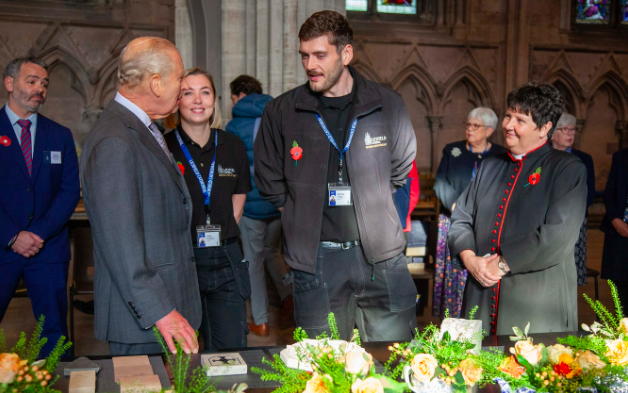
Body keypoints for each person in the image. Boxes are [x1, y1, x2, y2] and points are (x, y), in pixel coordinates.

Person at [254, 11, 418, 341]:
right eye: (304, 55)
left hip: (381, 257)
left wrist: (371, 201)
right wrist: (298, 212)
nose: (310, 65)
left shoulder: (387, 104)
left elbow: (401, 166)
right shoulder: (282, 111)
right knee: (322, 367)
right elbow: (268, 176)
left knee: (395, 363)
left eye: (320, 55)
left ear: (345, 54)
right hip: (315, 260)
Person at [80, 37, 201, 356]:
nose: (183, 85)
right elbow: (122, 244)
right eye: (180, 77)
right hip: (146, 322)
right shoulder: (115, 141)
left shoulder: (142, 129)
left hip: (167, 306)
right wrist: (161, 312)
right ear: (157, 83)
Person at [448, 82, 587, 336]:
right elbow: (461, 218)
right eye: (508, 116)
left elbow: (557, 236)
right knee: (474, 370)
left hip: (535, 301)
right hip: (480, 289)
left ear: (545, 128)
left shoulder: (567, 169)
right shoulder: (490, 166)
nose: (509, 125)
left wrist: (500, 265)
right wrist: (471, 261)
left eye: (520, 120)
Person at [164, 67, 252, 350]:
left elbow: (239, 195)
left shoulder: (232, 145)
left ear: (215, 100)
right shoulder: (163, 148)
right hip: (181, 259)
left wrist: (225, 228)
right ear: (177, 101)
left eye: (205, 92)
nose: (197, 100)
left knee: (230, 353)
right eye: (188, 93)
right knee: (184, 355)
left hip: (226, 258)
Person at [0, 57, 79, 357]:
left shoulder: (60, 135)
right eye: (31, 81)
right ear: (10, 84)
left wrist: (36, 233)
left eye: (44, 83)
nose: (39, 89)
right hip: (2, 247)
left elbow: (70, 191)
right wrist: (12, 235)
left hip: (48, 249)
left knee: (54, 335)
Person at [225, 75, 293, 336]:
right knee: (273, 252)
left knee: (252, 261)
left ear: (239, 94)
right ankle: (290, 293)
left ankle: (260, 320)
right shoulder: (280, 118)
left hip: (250, 204)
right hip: (276, 202)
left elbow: (229, 169)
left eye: (232, 97)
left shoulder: (234, 126)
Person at [432, 108, 507, 318]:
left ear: (490, 130)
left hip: (487, 222)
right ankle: (452, 316)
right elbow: (440, 183)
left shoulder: (500, 154)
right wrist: (456, 206)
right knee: (454, 273)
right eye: (468, 124)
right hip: (454, 220)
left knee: (481, 267)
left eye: (476, 126)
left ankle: (479, 315)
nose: (470, 129)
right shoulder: (452, 150)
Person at [551, 113, 595, 287]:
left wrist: (572, 214)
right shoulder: (542, 156)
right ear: (552, 133)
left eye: (572, 130)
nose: (570, 134)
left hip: (574, 222)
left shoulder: (583, 158)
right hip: (545, 221)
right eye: (564, 130)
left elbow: (589, 191)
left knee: (571, 273)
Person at [601, 148, 628, 307]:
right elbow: (610, 191)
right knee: (621, 288)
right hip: (620, 230)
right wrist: (615, 219)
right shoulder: (620, 157)